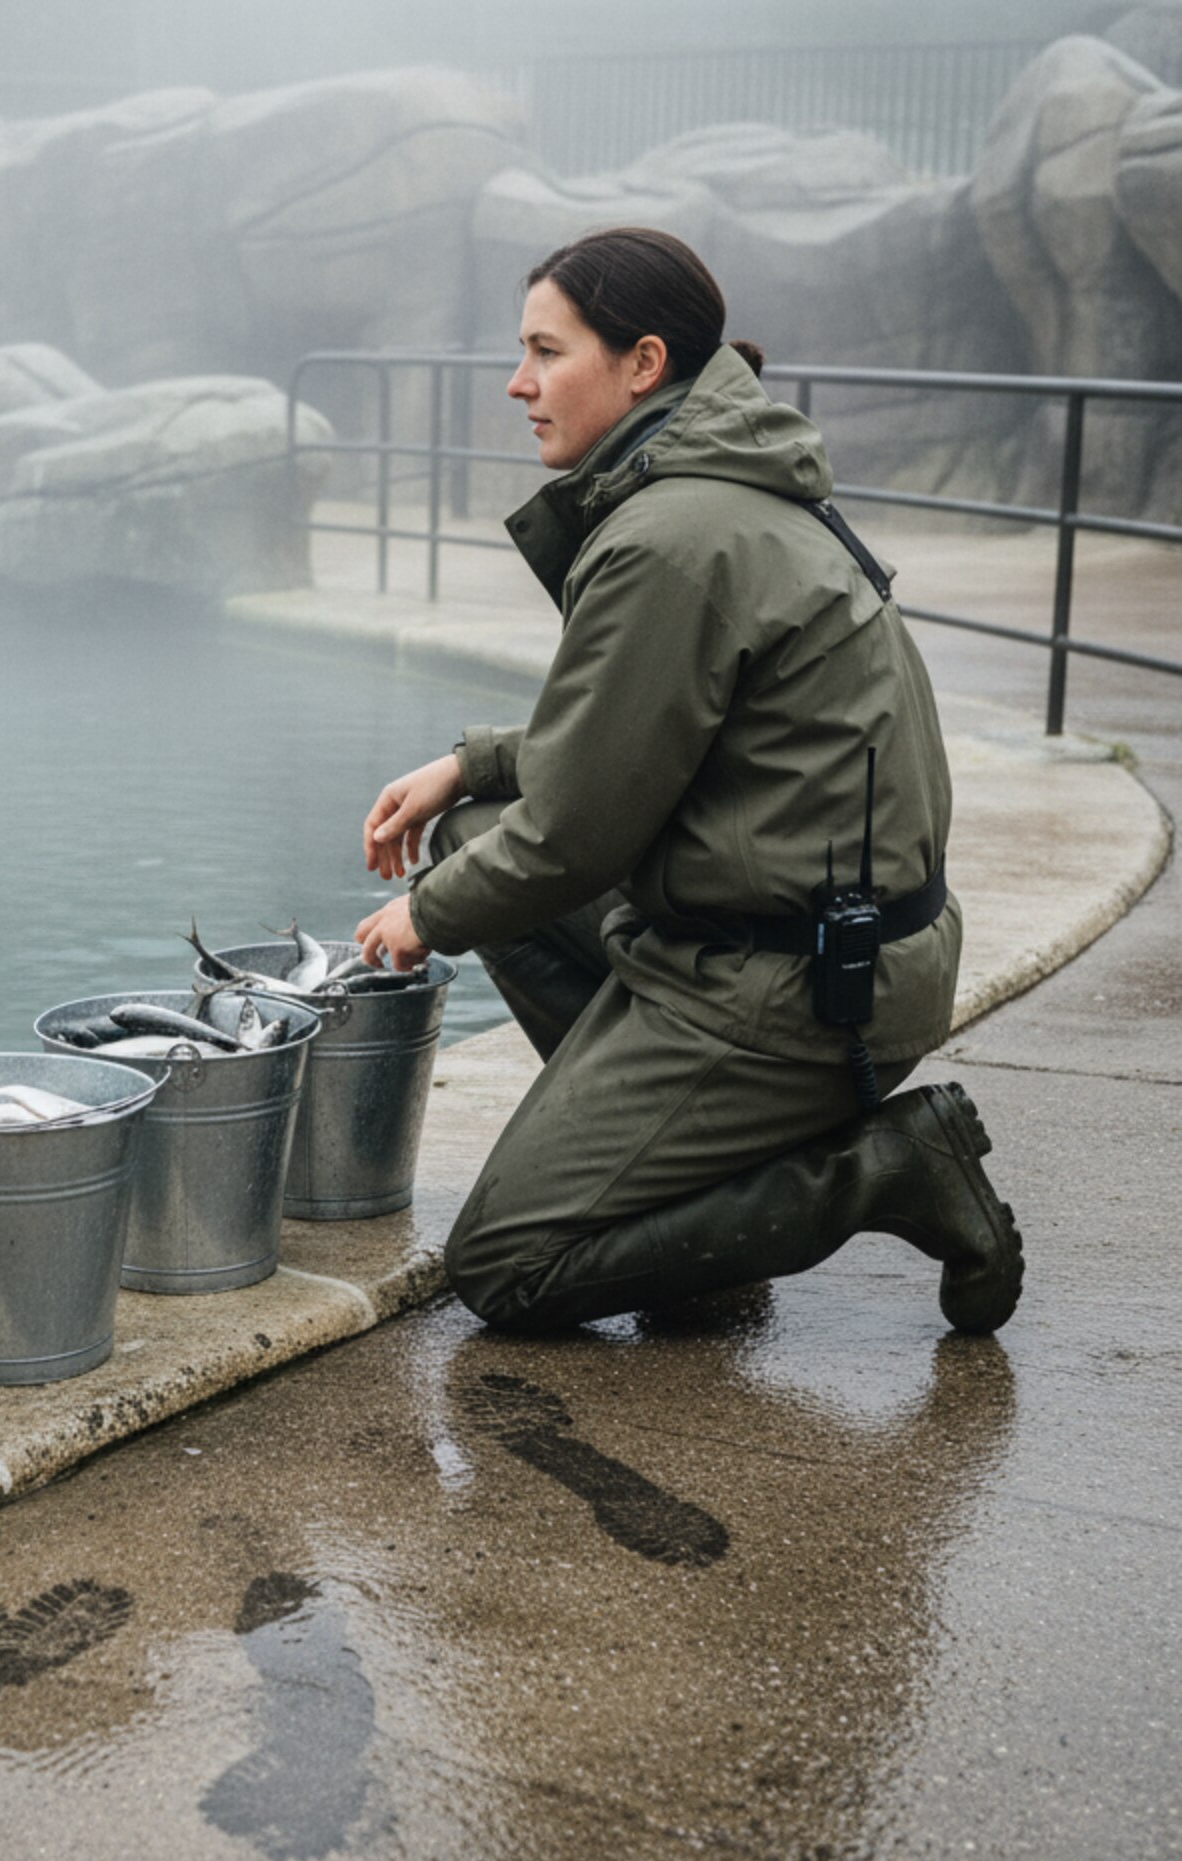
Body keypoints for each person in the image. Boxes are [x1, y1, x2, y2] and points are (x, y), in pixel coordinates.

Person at [353, 226, 1022, 1336]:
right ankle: (673, 1196)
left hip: (800, 990)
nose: (517, 384)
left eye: (543, 351)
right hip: (824, 937)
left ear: (643, 363)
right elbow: (650, 727)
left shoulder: (668, 533)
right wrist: (469, 761)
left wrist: (415, 919)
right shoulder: (722, 485)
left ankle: (884, 1168)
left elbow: (573, 834)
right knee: (474, 826)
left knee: (508, 1262)